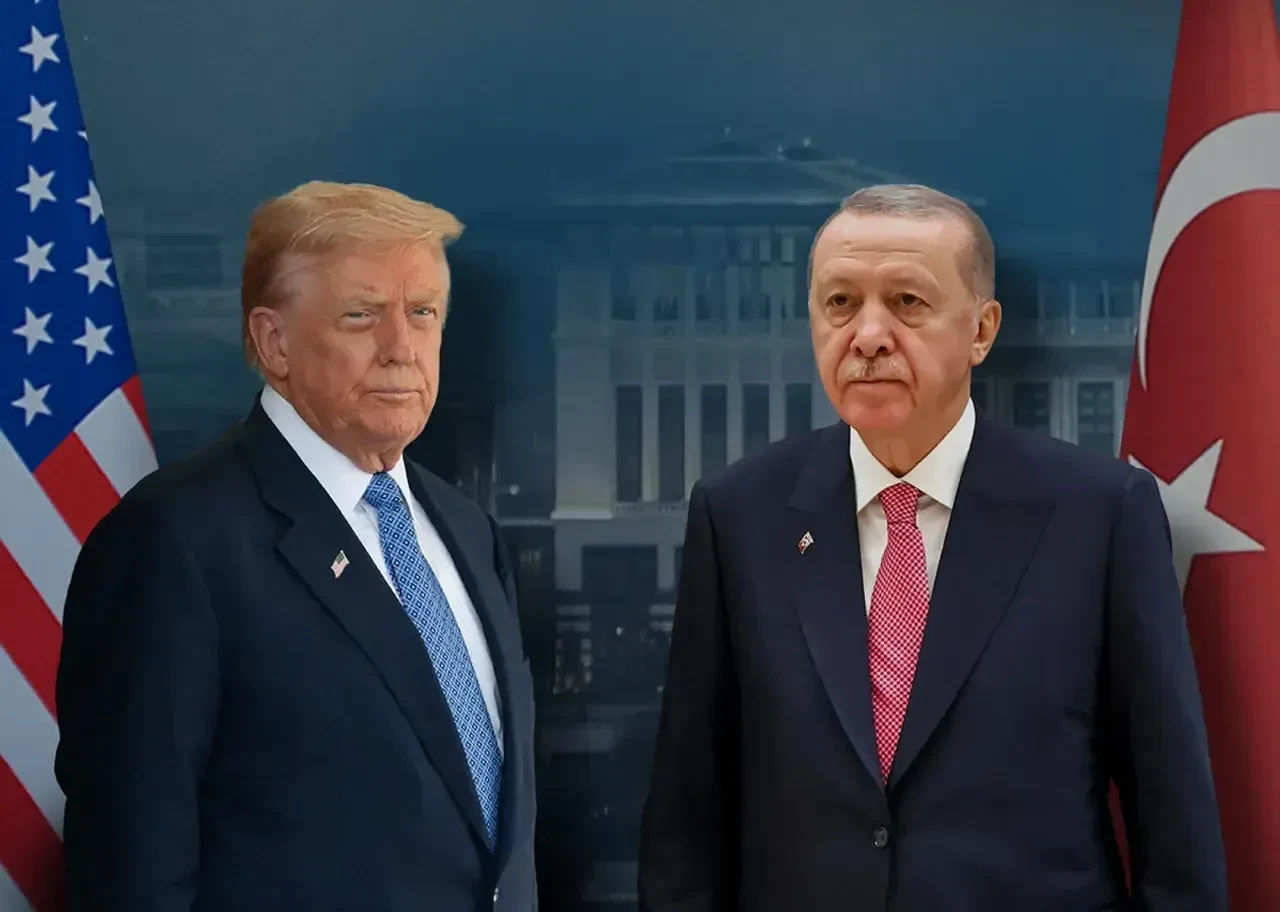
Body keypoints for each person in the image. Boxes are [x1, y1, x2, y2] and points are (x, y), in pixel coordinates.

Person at [637, 184, 1228, 911]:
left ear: (982, 330)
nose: (868, 335)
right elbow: (686, 822)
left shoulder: (1100, 516)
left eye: (907, 302)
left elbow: (1173, 822)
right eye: (840, 303)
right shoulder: (738, 516)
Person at [55, 181, 537, 911]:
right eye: (361, 315)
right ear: (273, 341)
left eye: (423, 313)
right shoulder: (172, 541)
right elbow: (132, 868)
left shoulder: (470, 531)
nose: (400, 349)